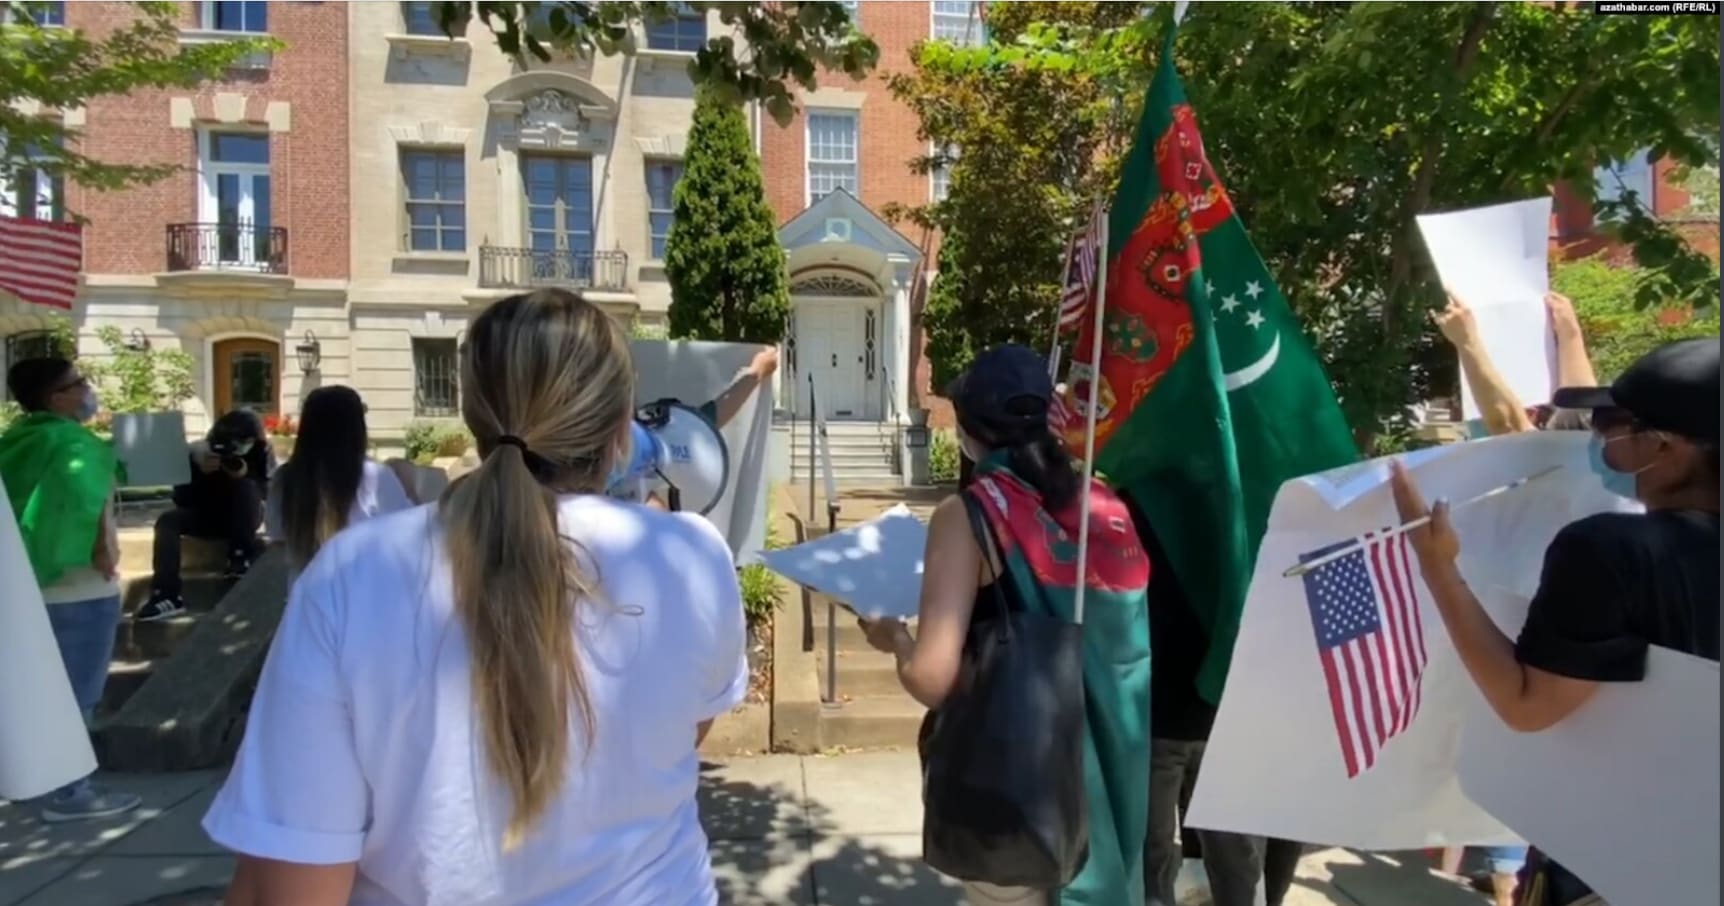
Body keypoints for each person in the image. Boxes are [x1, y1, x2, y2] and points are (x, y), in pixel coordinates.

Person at [203, 288, 748, 906]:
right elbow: (687, 727)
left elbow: (293, 884)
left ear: (472, 410)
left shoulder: (352, 575)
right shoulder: (693, 556)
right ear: (620, 425)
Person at [1389, 337, 1719, 906]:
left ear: (1667, 447)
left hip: (1618, 869)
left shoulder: (1610, 551)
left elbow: (1527, 704)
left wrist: (1438, 568)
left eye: (1617, 427)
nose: (1603, 443)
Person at [859, 343, 1152, 906]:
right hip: (1111, 790)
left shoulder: (969, 512)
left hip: (1020, 795)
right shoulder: (1106, 508)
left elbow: (932, 678)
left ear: (970, 435)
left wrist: (894, 637)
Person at [1125, 494, 1306, 906]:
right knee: (1234, 862)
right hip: (1219, 715)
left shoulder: (1131, 507)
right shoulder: (1242, 509)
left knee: (1150, 859)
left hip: (1158, 714)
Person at [0, 357, 142, 822]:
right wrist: (103, 549)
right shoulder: (73, 443)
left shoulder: (16, 442)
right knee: (78, 693)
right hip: (77, 587)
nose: (87, 389)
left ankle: (28, 781)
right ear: (55, 397)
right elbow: (80, 505)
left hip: (25, 587)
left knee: (29, 690)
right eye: (77, 383)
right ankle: (70, 792)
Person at [135, 409, 274, 622]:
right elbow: (181, 499)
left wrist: (244, 476)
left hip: (243, 519)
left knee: (245, 488)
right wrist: (199, 473)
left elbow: (268, 492)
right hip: (206, 515)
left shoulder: (260, 451)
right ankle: (166, 594)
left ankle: (240, 557)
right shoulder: (201, 453)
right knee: (167, 521)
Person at [264, 385, 414, 573]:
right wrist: (409, 485)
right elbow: (410, 535)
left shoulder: (285, 479)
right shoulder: (375, 477)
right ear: (357, 428)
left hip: (305, 595)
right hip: (362, 594)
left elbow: (277, 540)